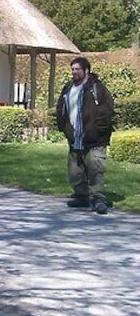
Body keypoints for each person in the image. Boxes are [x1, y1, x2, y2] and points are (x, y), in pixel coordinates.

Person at [55, 57, 114, 214]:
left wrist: (98, 130)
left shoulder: (97, 88)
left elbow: (107, 111)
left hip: (94, 139)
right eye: (72, 69)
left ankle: (98, 199)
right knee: (75, 171)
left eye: (77, 69)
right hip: (75, 137)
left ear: (86, 70)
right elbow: (61, 108)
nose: (74, 72)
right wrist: (64, 127)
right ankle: (81, 196)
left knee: (96, 169)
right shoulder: (68, 88)